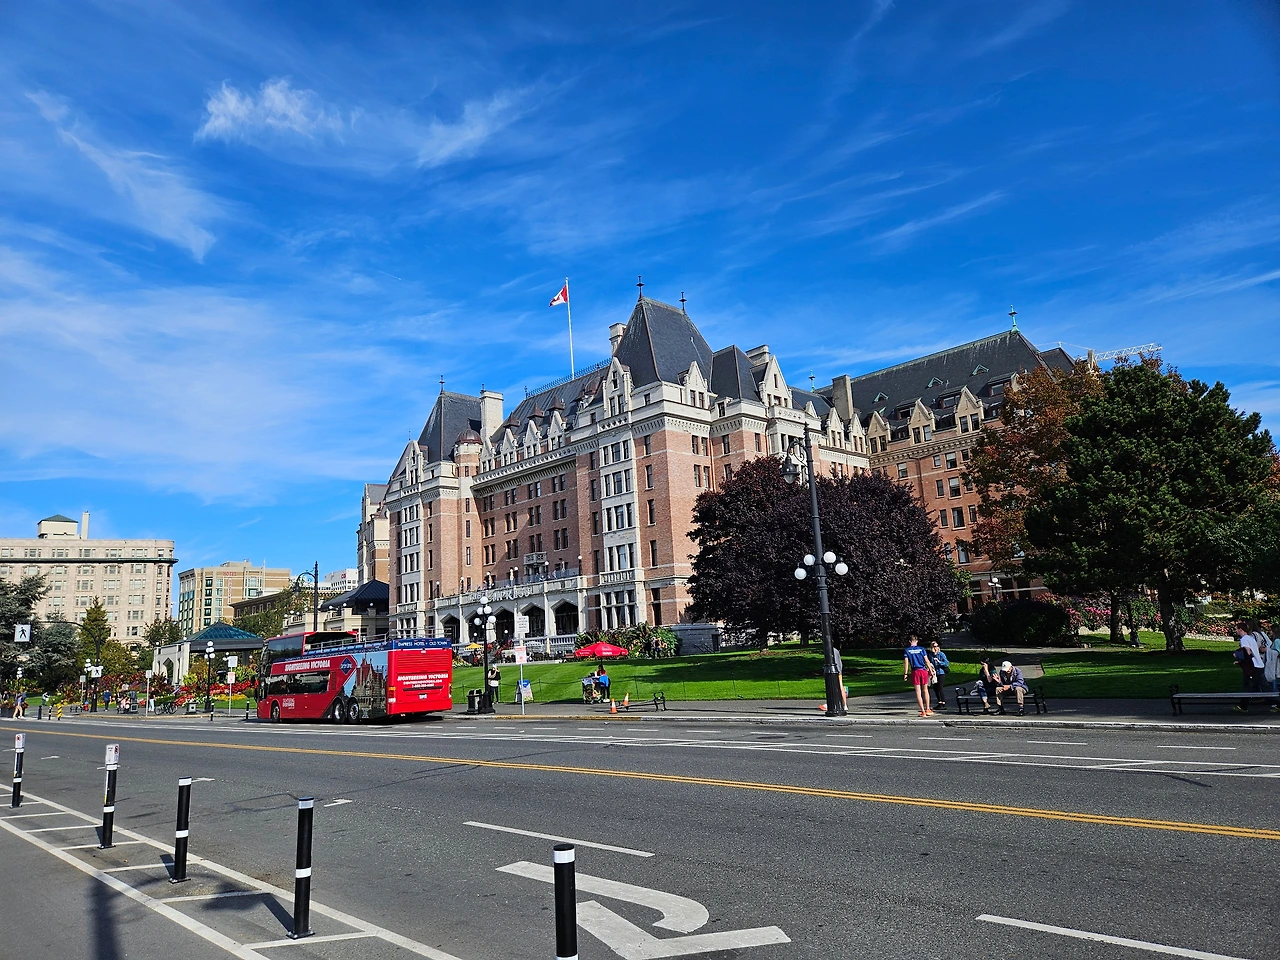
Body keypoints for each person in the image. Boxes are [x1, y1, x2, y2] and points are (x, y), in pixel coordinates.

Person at [1233, 623, 1263, 712]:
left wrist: (1237, 657)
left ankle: (1243, 707)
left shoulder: (1244, 639)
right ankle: (1277, 703)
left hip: (1252, 666)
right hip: (1259, 665)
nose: (1236, 631)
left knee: (1247, 686)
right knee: (1265, 687)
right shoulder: (1250, 638)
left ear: (1240, 630)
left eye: (1236, 629)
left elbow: (1247, 652)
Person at [903, 636, 934, 718]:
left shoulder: (907, 650)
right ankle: (928, 709)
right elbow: (926, 660)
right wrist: (931, 670)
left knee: (918, 691)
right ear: (916, 641)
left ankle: (922, 711)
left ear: (910, 641)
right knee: (925, 690)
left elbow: (906, 663)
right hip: (923, 670)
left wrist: (905, 673)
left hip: (915, 671)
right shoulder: (922, 649)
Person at [926, 641, 950, 711]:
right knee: (935, 688)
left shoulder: (941, 654)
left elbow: (946, 663)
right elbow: (929, 662)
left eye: (937, 646)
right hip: (934, 673)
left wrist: (939, 662)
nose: (936, 648)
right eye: (934, 646)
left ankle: (943, 702)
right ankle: (939, 702)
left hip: (941, 672)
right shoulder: (930, 655)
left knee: (940, 687)